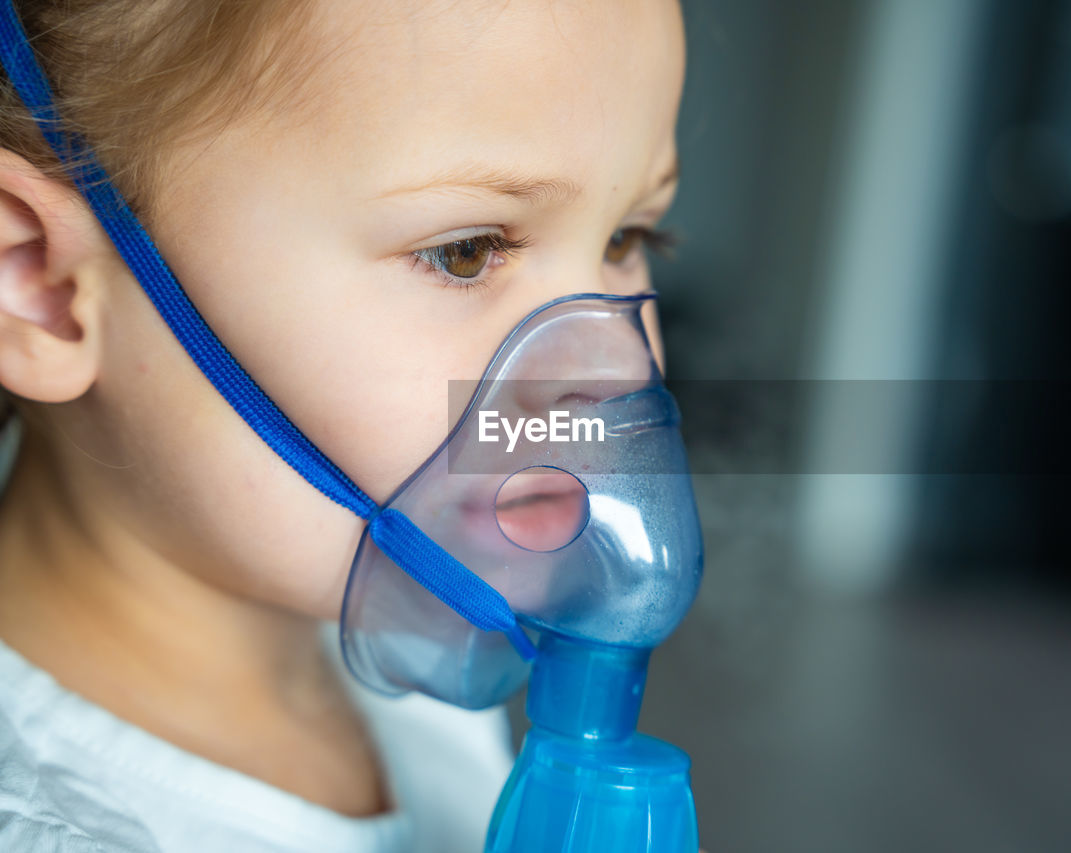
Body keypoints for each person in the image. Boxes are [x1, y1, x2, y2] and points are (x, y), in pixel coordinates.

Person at [0, 0, 685, 850]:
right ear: (39, 286)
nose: (619, 370)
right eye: (464, 251)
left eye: (627, 234)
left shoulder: (417, 657)